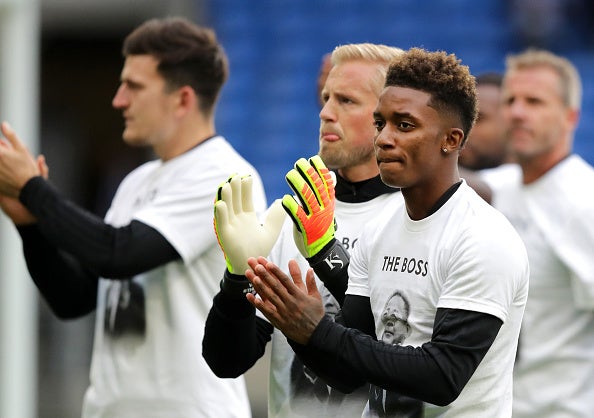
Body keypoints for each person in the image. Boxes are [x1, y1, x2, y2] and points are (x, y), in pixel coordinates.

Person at [0, 17, 266, 417]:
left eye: (134, 87)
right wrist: (29, 224)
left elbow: (117, 253)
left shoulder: (224, 175)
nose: (118, 100)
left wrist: (34, 190)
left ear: (183, 99)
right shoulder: (136, 182)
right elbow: (74, 297)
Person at [243, 48, 530, 417]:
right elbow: (348, 373)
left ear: (451, 140)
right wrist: (293, 323)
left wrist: (316, 331)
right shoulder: (380, 231)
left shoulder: (483, 236)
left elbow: (442, 376)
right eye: (381, 123)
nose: (384, 139)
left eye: (404, 125)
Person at [203, 43, 405, 417]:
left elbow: (395, 354)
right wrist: (235, 280)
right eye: (326, 98)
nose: (326, 112)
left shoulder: (414, 217)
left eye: (346, 100)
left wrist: (326, 251)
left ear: (389, 118)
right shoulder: (289, 213)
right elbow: (226, 362)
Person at [489, 48, 594, 418]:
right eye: (511, 100)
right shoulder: (493, 190)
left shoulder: (585, 201)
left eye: (534, 101)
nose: (517, 112)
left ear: (570, 116)